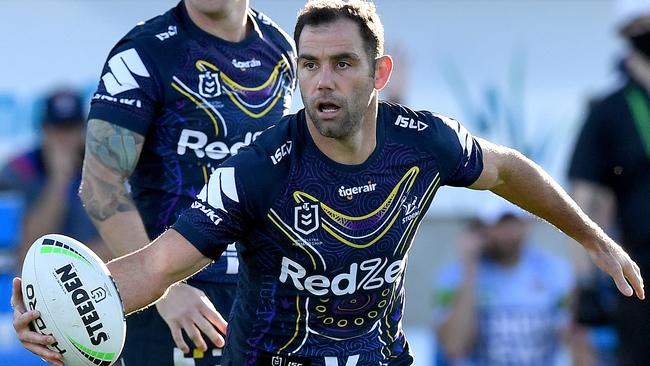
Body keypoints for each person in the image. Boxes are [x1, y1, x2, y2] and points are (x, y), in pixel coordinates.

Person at [12, 1, 644, 365]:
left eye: (342, 65)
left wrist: (594, 240)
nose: (322, 82)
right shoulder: (246, 157)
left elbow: (505, 168)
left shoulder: (419, 138)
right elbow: (133, 234)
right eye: (312, 66)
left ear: (378, 73)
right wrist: (70, 308)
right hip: (207, 318)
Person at [77, 1, 296, 365]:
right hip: (174, 308)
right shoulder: (143, 54)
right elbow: (100, 187)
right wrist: (166, 290)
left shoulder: (281, 49)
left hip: (264, 302)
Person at [568, 2, 650, 365]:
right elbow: (586, 202)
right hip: (642, 277)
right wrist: (585, 284)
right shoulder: (609, 112)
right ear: (627, 33)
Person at [433, 200, 575, 365]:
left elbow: (573, 338)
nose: (508, 232)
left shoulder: (556, 272)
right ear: (482, 229)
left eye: (513, 223)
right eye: (500, 224)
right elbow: (454, 346)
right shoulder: (454, 276)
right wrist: (470, 268)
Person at [0, 89, 109, 264]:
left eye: (71, 129)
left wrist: (72, 263)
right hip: (33, 277)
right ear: (43, 130)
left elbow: (120, 242)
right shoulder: (17, 171)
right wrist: (59, 180)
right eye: (57, 130)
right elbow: (26, 248)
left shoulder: (103, 168)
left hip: (93, 274)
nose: (64, 139)